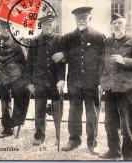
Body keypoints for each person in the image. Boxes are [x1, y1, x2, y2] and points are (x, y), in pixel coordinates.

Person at [53, 7, 105, 154]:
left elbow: (103, 61)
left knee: (92, 113)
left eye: (84, 18)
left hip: (92, 82)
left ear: (90, 19)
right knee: (74, 112)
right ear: (75, 20)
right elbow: (62, 60)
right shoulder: (68, 37)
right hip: (74, 82)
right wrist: (61, 79)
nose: (81, 21)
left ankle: (92, 143)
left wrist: (101, 80)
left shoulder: (98, 36)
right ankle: (74, 140)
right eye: (79, 18)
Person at [99, 13, 132, 160]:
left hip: (128, 90)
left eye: (120, 23)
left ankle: (130, 156)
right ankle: (114, 151)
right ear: (111, 26)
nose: (117, 26)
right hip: (110, 89)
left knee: (127, 125)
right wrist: (102, 82)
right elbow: (102, 65)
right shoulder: (107, 42)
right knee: (110, 124)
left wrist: (124, 60)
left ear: (125, 26)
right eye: (114, 24)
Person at [0, 19, 30, 138]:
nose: (5, 31)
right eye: (3, 28)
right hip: (0, 77)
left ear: (12, 29)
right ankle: (7, 128)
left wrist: (25, 78)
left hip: (16, 77)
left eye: (8, 29)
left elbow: (25, 61)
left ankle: (16, 123)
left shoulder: (18, 41)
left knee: (20, 98)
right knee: (5, 103)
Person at [27, 15, 66, 146]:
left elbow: (62, 63)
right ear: (41, 26)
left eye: (50, 25)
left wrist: (61, 79)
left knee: (57, 110)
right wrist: (30, 82)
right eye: (45, 25)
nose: (48, 27)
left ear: (54, 25)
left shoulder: (60, 39)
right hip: (40, 81)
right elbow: (30, 62)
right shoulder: (35, 40)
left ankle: (58, 136)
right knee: (39, 110)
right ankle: (39, 136)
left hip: (56, 82)